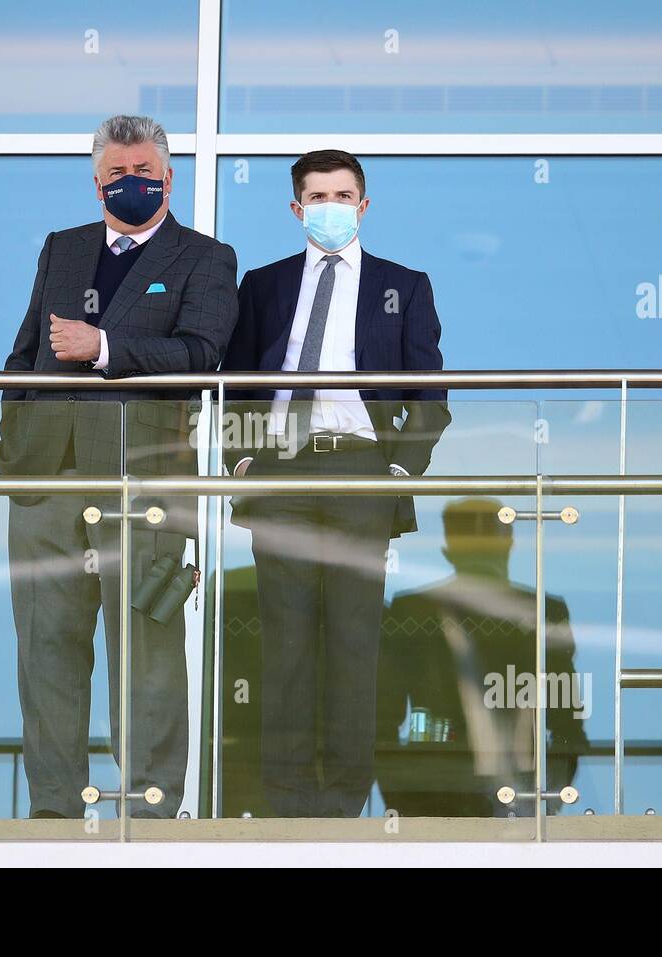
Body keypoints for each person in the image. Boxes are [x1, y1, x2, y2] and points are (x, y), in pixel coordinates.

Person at [0, 115, 238, 819]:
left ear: (170, 177)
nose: (131, 184)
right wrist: (14, 439)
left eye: (144, 173)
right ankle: (53, 811)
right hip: (47, 479)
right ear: (95, 180)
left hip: (146, 478)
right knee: (46, 651)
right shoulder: (63, 249)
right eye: (117, 174)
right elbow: (24, 353)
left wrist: (105, 346)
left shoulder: (205, 257)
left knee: (149, 650)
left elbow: (201, 356)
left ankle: (151, 810)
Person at [219, 149, 451, 817]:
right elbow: (233, 385)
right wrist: (243, 461)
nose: (331, 207)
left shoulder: (403, 285)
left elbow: (430, 393)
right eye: (318, 196)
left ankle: (344, 802)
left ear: (364, 205)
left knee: (354, 644)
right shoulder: (262, 286)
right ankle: (289, 803)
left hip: (361, 468)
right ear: (297, 209)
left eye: (343, 195)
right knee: (286, 645)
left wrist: (399, 471)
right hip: (282, 468)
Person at [376, 498, 589, 817]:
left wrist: (552, 792)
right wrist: (401, 793)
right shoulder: (413, 611)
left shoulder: (543, 611)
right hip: (436, 786)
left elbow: (566, 715)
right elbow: (385, 715)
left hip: (519, 785)